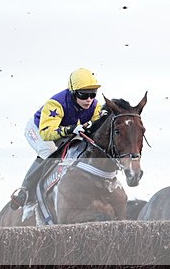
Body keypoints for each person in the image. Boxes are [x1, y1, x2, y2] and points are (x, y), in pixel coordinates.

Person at [9, 68, 104, 209]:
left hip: (64, 130)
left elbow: (97, 123)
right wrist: (70, 129)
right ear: (73, 93)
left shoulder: (95, 106)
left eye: (92, 94)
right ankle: (25, 191)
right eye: (84, 95)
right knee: (50, 154)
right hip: (39, 129)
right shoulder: (56, 103)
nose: (89, 99)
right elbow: (47, 133)